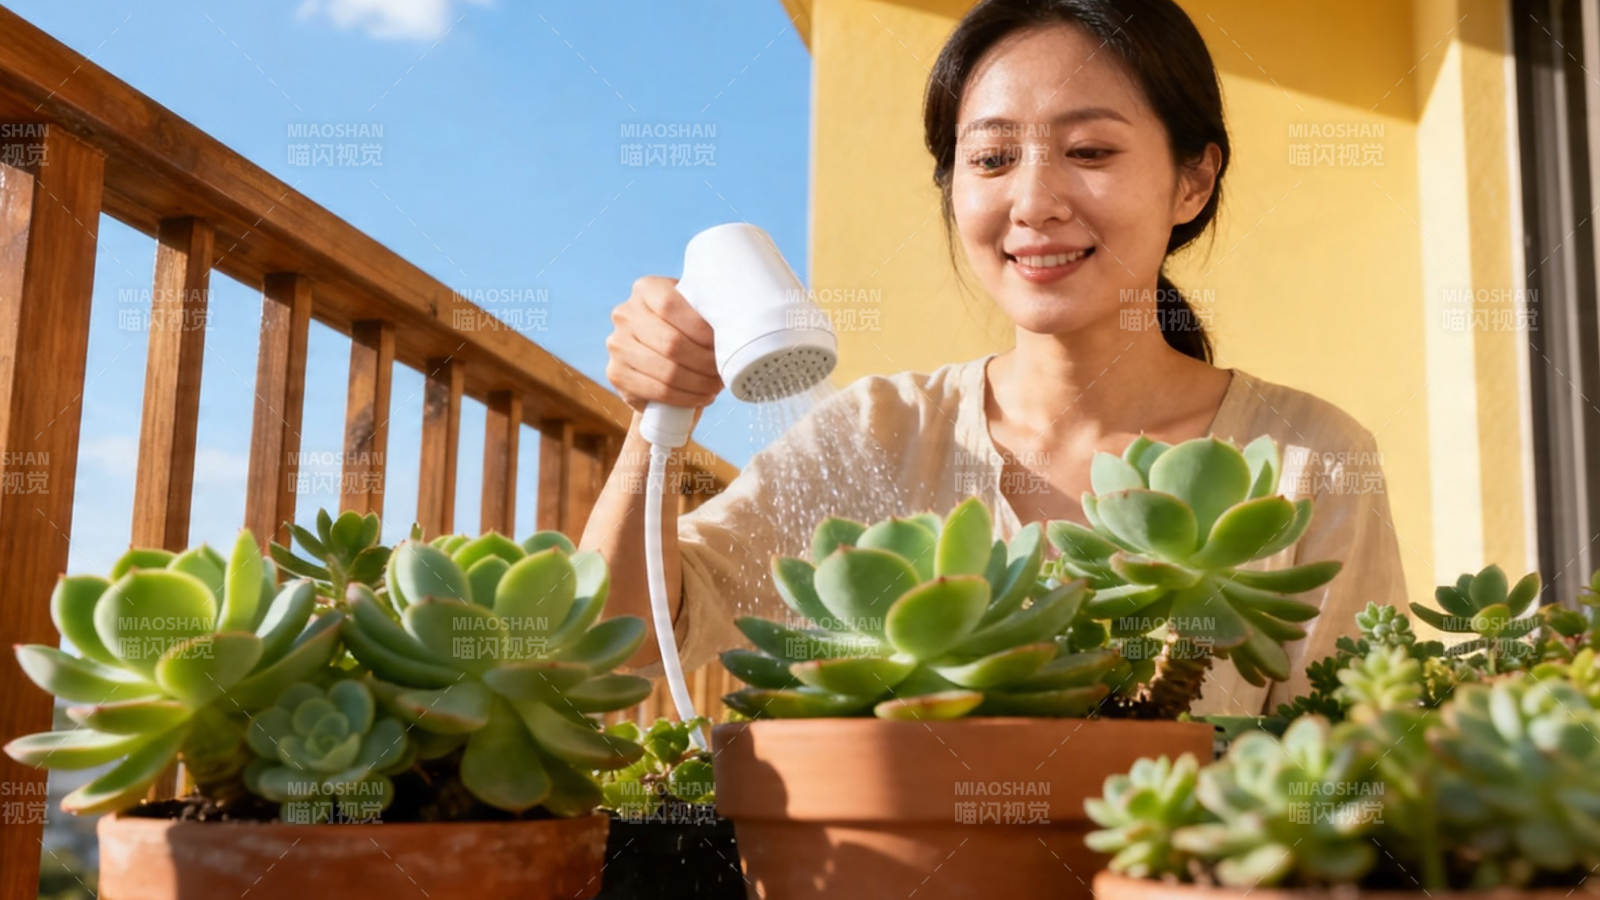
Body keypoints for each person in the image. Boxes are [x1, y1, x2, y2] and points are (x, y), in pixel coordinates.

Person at [580, 0, 1407, 717]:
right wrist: (655, 421)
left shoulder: (1313, 461)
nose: (1036, 202)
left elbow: (1349, 763)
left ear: (1192, 180)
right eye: (991, 159)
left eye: (1090, 152)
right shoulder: (872, 435)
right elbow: (617, 648)